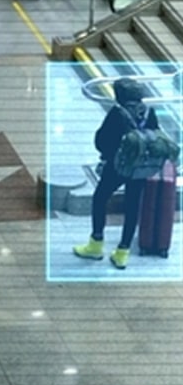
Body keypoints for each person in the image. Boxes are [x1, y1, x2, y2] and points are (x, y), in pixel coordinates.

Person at [73, 78, 160, 270]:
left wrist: (109, 154)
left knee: (100, 198)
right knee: (132, 206)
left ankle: (95, 245)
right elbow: (156, 136)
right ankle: (122, 252)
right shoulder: (149, 112)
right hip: (140, 168)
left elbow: (101, 140)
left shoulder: (117, 113)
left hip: (117, 167)